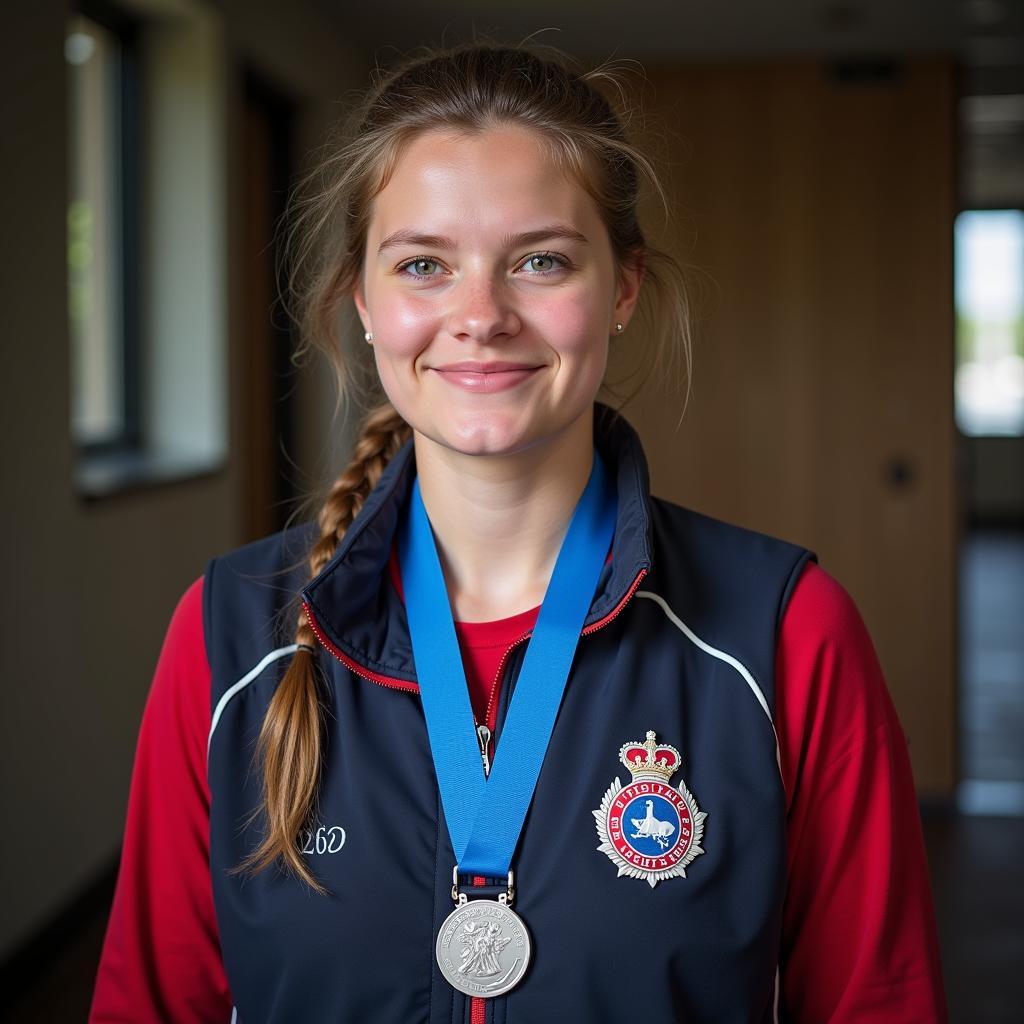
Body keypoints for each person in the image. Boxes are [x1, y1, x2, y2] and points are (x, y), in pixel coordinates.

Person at [89, 39, 949, 1023]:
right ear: (365, 303)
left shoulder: (783, 633)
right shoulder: (228, 635)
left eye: (538, 260)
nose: (480, 314)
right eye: (423, 265)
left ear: (620, 289)